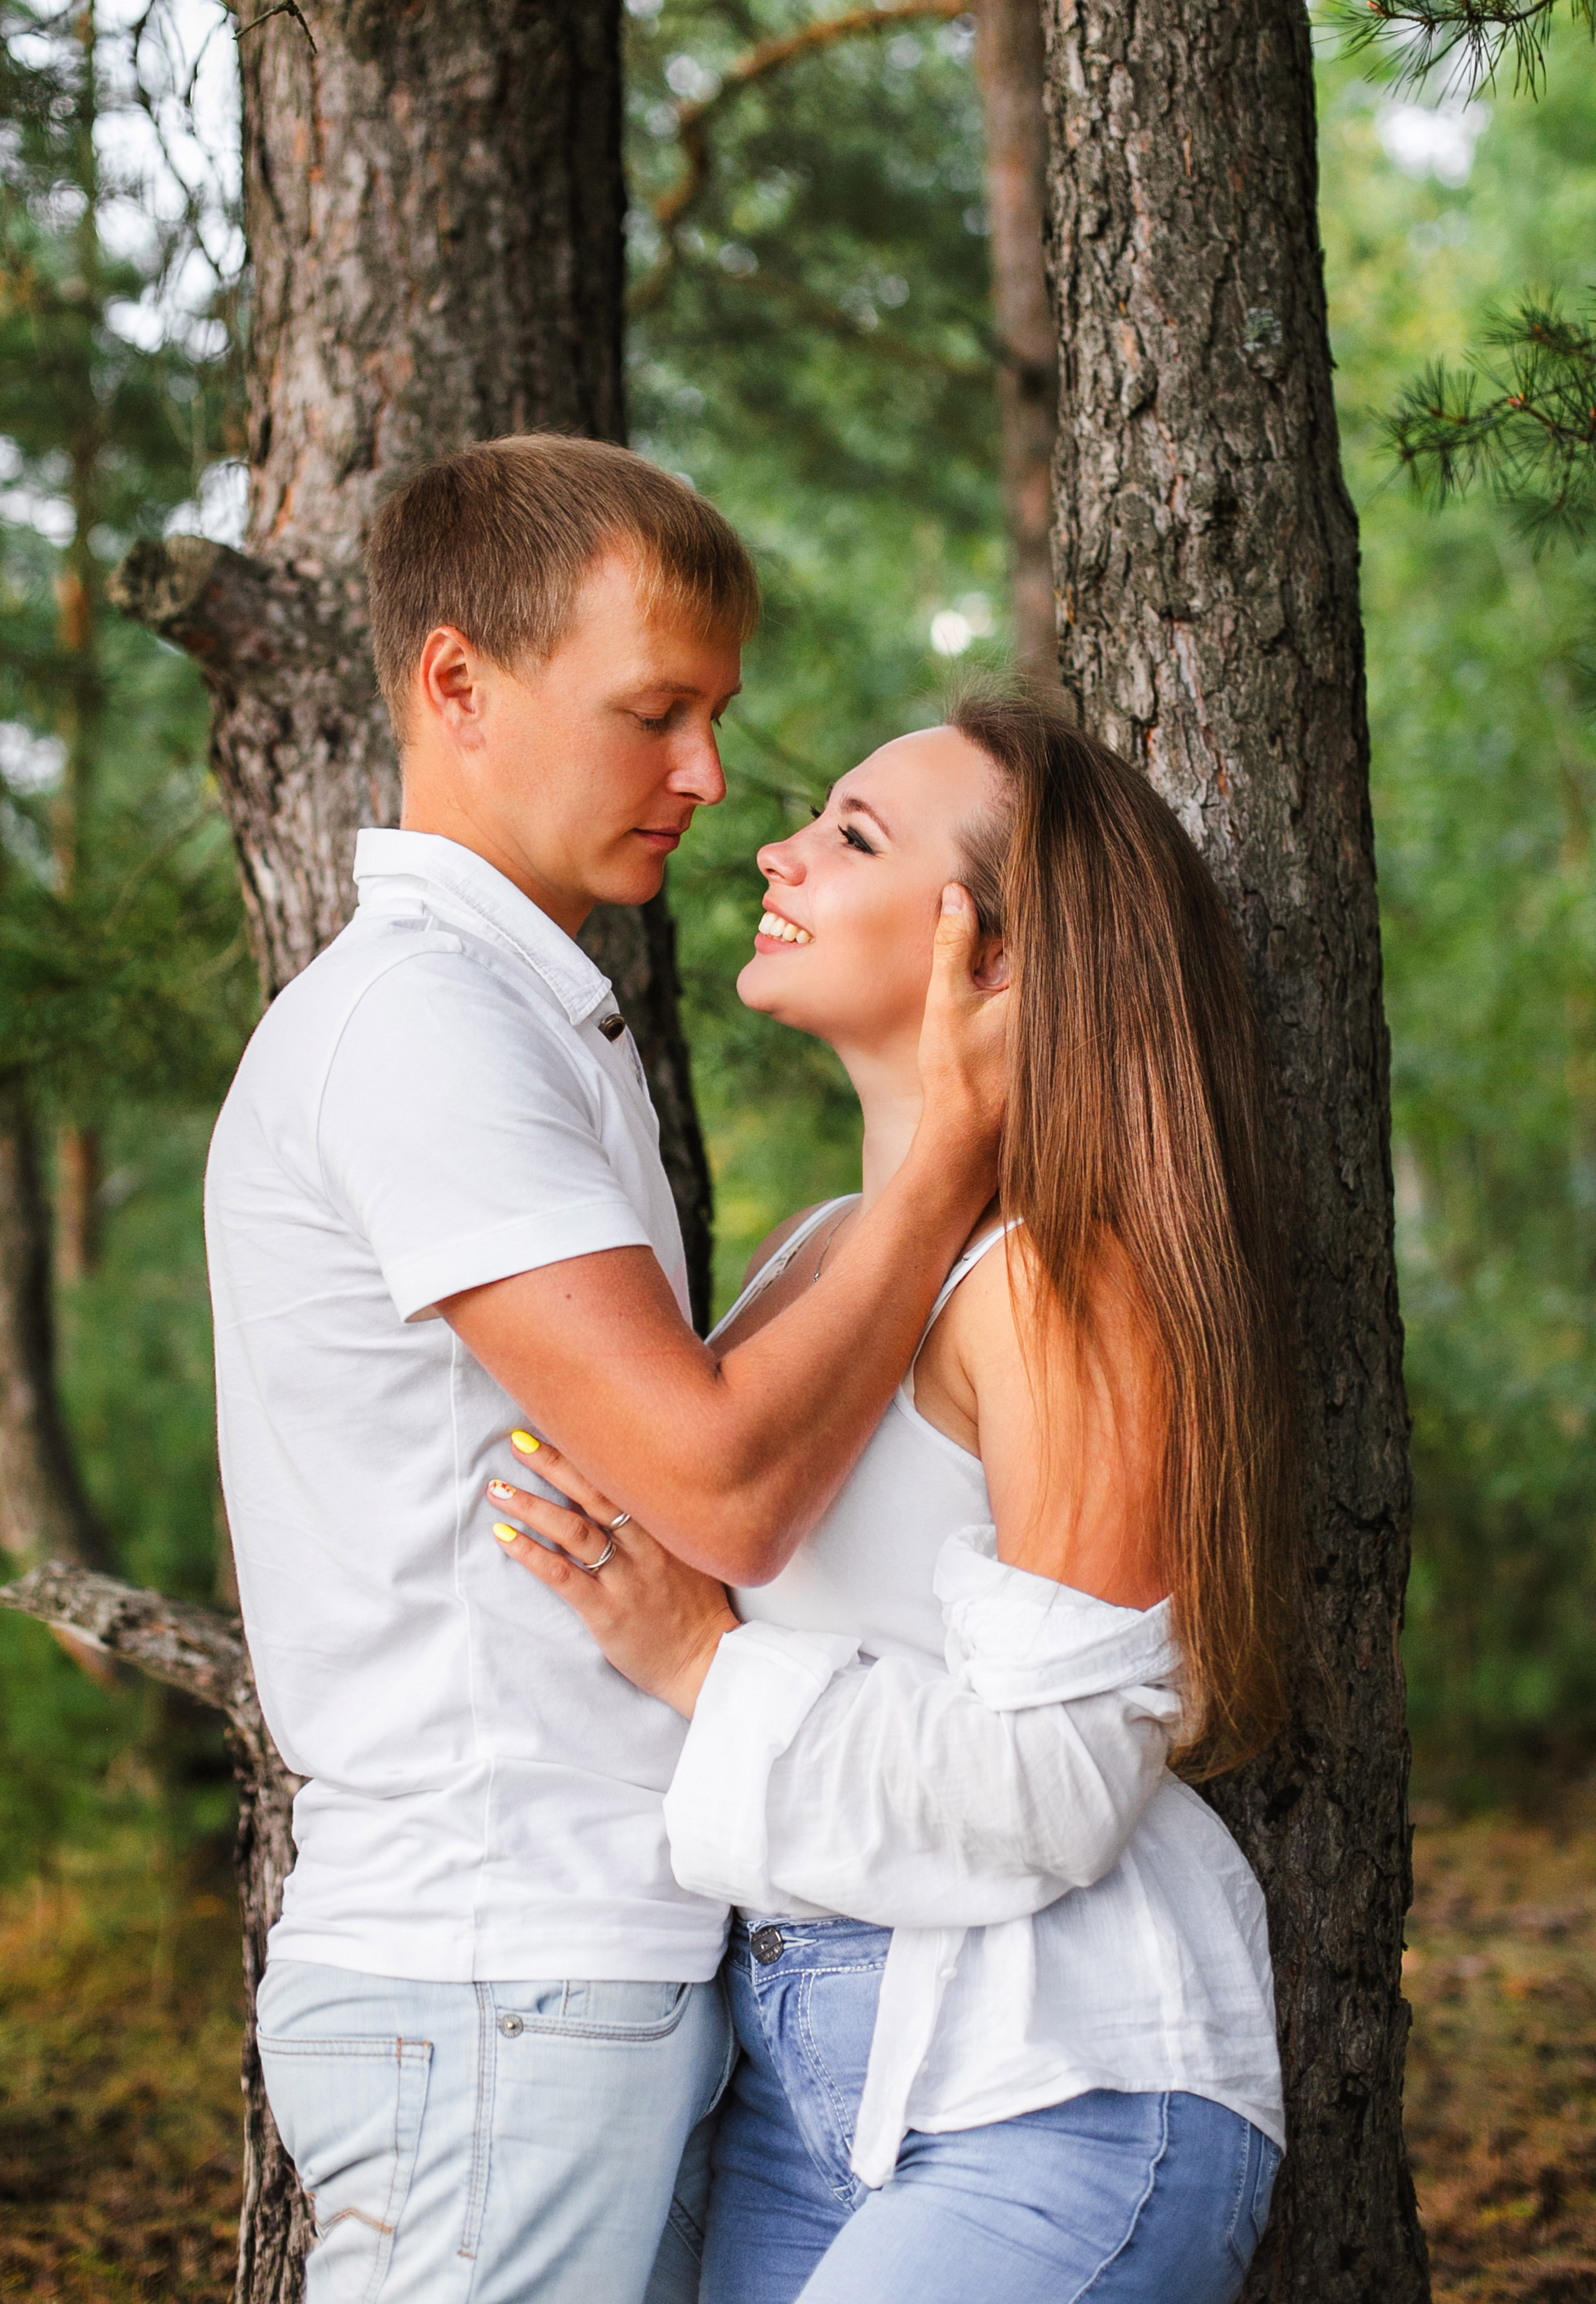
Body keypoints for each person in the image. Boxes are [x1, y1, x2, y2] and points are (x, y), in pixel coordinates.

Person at [204, 434, 1007, 2304]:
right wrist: (946, 1170)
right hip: (498, 1969)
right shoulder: (422, 1027)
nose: (708, 776)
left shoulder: (520, 1014)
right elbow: (719, 1485)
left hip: (563, 1973)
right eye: (655, 713)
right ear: (458, 685)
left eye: (714, 716)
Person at [487, 685, 1298, 2304]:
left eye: (852, 836)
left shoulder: (1057, 1289)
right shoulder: (813, 1257)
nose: (773, 851)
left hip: (1058, 2081)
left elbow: (1063, 1786)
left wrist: (702, 1663)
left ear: (992, 958)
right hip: (799, 2083)